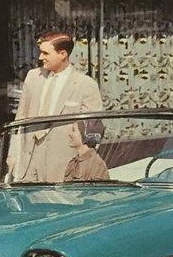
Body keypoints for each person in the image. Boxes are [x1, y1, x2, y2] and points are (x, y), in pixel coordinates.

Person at [8, 32, 104, 183]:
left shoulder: (85, 84)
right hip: (28, 168)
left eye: (46, 53)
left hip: (64, 171)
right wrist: (12, 155)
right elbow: (19, 119)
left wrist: (81, 168)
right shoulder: (33, 77)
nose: (40, 57)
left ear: (63, 54)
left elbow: (91, 135)